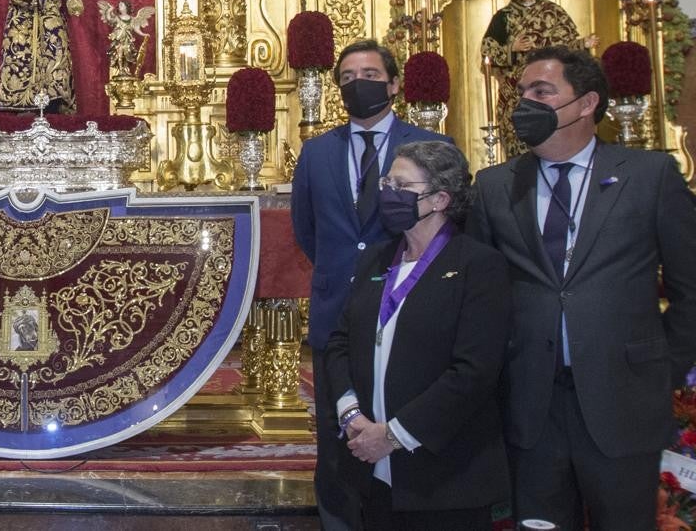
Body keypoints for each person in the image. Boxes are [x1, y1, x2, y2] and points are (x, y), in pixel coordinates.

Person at [468, 46, 696, 529]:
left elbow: (690, 287)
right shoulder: (493, 186)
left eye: (541, 91)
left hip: (624, 400)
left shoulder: (649, 176)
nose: (524, 102)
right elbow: (478, 298)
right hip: (531, 405)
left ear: (587, 102)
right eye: (521, 92)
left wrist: (663, 369)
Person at [290, 39, 449, 530]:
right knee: (336, 447)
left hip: (406, 314)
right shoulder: (316, 152)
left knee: (397, 431)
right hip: (336, 315)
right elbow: (306, 230)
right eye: (349, 77)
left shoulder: (429, 147)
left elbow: (449, 226)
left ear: (394, 84)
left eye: (371, 75)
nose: (359, 85)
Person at [326, 140, 511, 529]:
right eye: (386, 182)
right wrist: (351, 414)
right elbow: (341, 341)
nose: (387, 194)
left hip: (443, 479)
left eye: (402, 186)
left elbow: (473, 373)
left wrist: (392, 435)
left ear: (440, 199)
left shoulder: (478, 266)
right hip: (373, 470)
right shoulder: (376, 258)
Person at [480, 0, 596, 156]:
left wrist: (583, 43)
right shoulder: (503, 17)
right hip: (516, 89)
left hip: (551, 85)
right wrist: (512, 49)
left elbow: (566, 45)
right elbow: (487, 52)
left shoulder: (551, 11)